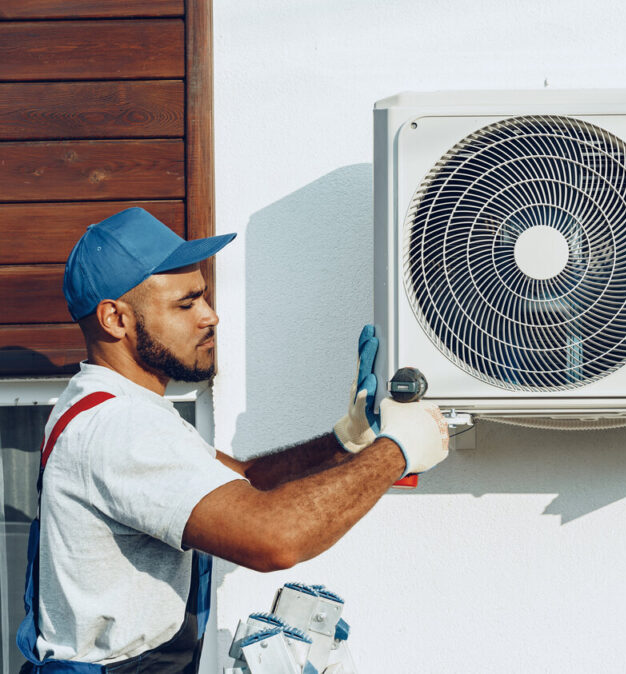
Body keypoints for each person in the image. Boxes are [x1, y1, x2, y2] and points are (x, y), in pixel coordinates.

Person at [16, 207, 450, 673]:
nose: (211, 316)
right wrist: (396, 452)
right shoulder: (121, 426)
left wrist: (347, 441)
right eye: (186, 304)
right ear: (115, 319)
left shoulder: (110, 404)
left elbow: (243, 482)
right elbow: (273, 539)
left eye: (203, 298)